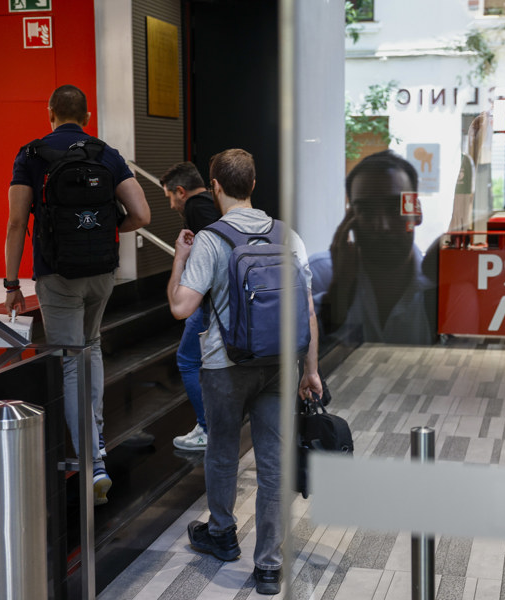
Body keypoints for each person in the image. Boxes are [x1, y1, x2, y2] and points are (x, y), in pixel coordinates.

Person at [166, 148, 322, 595]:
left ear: (214, 187)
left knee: (221, 450)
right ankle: (270, 566)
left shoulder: (212, 240)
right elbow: (307, 310)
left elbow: (180, 307)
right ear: (253, 184)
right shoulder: (286, 235)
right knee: (273, 463)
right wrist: (310, 371)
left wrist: (180, 257)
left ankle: (222, 534)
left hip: (224, 365)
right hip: (280, 365)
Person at [3, 84, 151, 505]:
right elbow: (141, 213)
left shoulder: (31, 155)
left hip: (57, 274)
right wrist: (106, 231)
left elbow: (17, 223)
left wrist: (12, 284)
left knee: (71, 363)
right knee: (92, 348)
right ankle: (97, 438)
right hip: (101, 273)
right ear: (86, 116)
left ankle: (92, 460)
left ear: (50, 112)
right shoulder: (106, 154)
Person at [313, 150, 437, 346]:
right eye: (366, 211)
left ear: (417, 213)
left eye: (396, 209)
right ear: (350, 218)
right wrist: (338, 293)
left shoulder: (438, 286)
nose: (382, 226)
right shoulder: (317, 276)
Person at [160, 162, 221, 451]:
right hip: (219, 300)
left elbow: (213, 254)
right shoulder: (214, 201)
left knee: (187, 360)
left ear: (181, 191)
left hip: (210, 301)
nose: (171, 205)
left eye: (170, 197)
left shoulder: (196, 207)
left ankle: (208, 428)